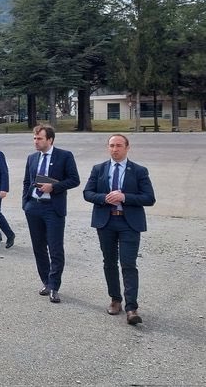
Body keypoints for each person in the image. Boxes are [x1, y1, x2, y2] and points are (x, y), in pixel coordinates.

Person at [83, 134, 156, 325]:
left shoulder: (139, 171)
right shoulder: (99, 169)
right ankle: (115, 299)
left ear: (127, 148)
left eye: (119, 146)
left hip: (129, 224)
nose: (115, 149)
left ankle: (132, 308)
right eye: (111, 146)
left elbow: (149, 198)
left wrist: (125, 197)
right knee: (109, 262)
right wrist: (103, 198)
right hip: (105, 222)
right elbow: (87, 193)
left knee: (128, 264)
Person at [22, 125, 80, 303]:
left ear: (50, 140)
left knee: (55, 249)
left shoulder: (64, 156)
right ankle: (46, 281)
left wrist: (54, 187)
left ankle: (55, 286)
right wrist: (25, 203)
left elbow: (74, 180)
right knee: (39, 248)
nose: (36, 142)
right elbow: (27, 181)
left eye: (39, 138)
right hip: (34, 207)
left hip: (53, 208)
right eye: (34, 138)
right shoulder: (32, 158)